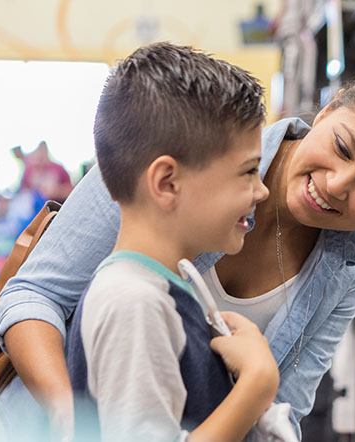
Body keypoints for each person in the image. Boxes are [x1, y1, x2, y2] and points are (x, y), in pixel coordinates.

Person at [0, 60, 355, 438]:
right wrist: (71, 419)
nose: (335, 185)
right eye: (343, 148)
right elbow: (34, 295)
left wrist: (261, 397)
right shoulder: (182, 151)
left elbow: (283, 411)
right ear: (328, 110)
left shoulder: (344, 268)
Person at [67, 43, 276, 441]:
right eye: (248, 171)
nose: (261, 191)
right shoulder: (132, 302)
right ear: (167, 183)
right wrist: (256, 387)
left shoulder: (166, 284)